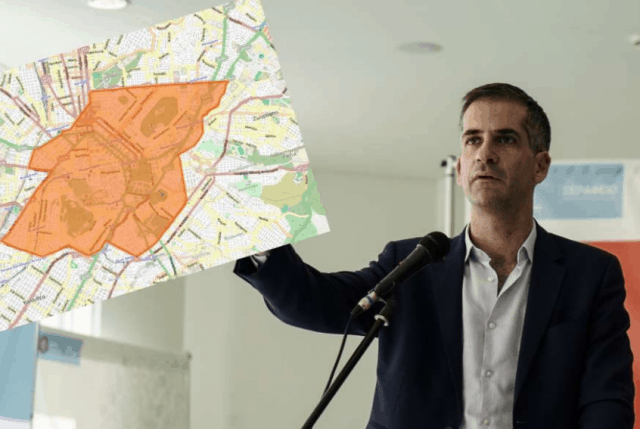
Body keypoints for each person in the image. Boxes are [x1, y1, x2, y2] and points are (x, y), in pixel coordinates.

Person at [233, 83, 635, 429]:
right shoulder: (412, 265)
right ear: (460, 168)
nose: (485, 153)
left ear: (540, 166)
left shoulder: (590, 274)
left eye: (506, 139)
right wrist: (254, 219)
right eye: (473, 139)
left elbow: (606, 399)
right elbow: (313, 301)